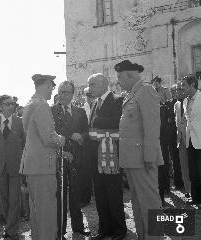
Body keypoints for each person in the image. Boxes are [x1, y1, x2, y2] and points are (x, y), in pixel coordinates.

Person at [115, 60, 163, 240]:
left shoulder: (146, 91)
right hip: (132, 159)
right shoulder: (131, 94)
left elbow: (152, 127)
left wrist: (149, 157)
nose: (118, 81)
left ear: (130, 75)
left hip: (144, 158)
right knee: (137, 202)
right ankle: (143, 236)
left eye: (120, 77)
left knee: (150, 202)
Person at [20, 74, 66, 240]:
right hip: (42, 166)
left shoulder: (30, 103)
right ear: (47, 85)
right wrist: (62, 140)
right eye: (52, 87)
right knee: (46, 212)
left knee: (37, 211)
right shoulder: (41, 105)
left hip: (33, 165)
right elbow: (49, 138)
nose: (52, 90)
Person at [88, 73, 127, 240]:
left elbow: (118, 122)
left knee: (113, 193)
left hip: (112, 155)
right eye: (89, 85)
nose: (90, 88)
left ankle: (119, 230)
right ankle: (105, 229)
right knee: (100, 193)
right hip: (96, 157)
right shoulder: (95, 103)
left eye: (93, 84)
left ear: (104, 84)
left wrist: (98, 123)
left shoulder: (118, 100)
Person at [0, 94, 26, 240]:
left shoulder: (20, 121)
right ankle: (10, 227)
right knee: (4, 199)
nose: (11, 106)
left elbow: (25, 142)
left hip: (15, 165)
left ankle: (11, 230)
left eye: (13, 103)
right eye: (7, 104)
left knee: (15, 199)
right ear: (0, 106)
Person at [51, 81, 90, 239]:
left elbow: (87, 131)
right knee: (60, 196)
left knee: (76, 194)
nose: (62, 94)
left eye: (66, 92)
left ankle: (78, 227)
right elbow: (51, 133)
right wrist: (69, 137)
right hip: (59, 158)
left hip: (77, 159)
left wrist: (81, 136)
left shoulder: (80, 111)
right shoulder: (50, 111)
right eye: (61, 91)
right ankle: (60, 230)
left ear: (72, 94)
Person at [182, 75, 201, 207]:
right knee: (193, 172)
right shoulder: (185, 101)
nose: (182, 88)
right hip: (190, 140)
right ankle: (196, 198)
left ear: (193, 84)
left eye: (184, 85)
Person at [174, 82, 191, 199]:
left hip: (192, 139)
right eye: (176, 90)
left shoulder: (191, 102)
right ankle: (188, 190)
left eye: (180, 89)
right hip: (180, 140)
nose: (177, 92)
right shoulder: (176, 105)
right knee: (184, 166)